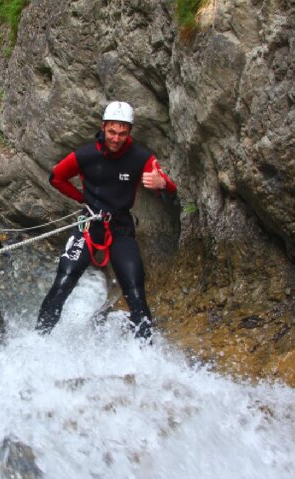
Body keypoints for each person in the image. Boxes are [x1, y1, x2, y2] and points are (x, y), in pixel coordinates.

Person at [36, 101, 177, 340]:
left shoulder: (141, 158)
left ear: (129, 132)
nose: (116, 138)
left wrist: (163, 185)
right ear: (103, 127)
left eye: (122, 133)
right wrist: (84, 199)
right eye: (112, 131)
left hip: (120, 228)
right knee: (64, 280)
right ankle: (38, 340)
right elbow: (57, 178)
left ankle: (145, 354)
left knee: (134, 289)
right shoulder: (86, 155)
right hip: (89, 225)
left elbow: (168, 190)